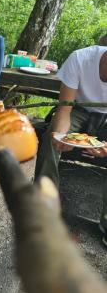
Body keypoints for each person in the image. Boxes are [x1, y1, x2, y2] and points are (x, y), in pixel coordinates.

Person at [35, 44, 107, 244]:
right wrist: (60, 136)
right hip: (78, 109)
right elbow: (64, 110)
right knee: (52, 138)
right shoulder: (81, 59)